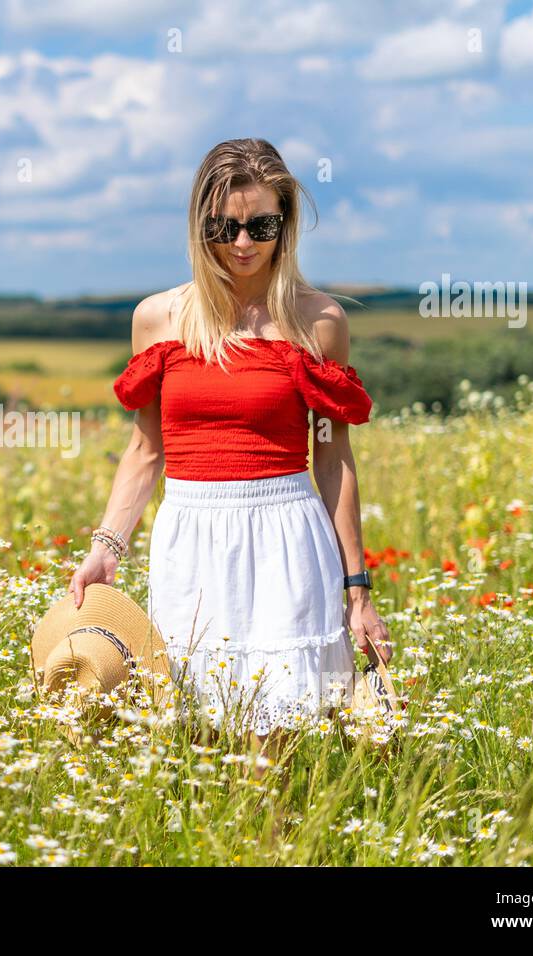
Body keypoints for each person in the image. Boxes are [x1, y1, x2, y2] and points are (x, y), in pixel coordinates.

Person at [70, 137, 392, 764]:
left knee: (283, 735)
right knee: (192, 726)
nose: (242, 244)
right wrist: (104, 551)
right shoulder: (158, 318)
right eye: (225, 227)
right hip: (189, 536)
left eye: (261, 225)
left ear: (286, 224)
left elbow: (332, 459)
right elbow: (143, 451)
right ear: (201, 225)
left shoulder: (318, 321)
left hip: (287, 536)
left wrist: (359, 592)